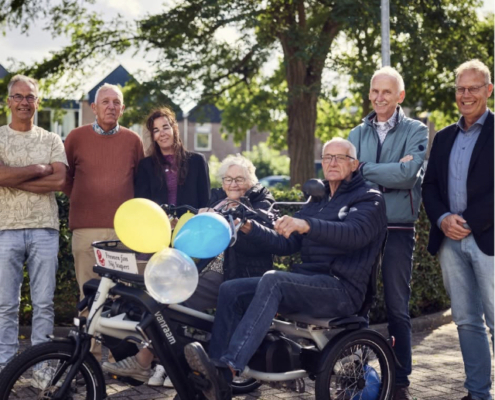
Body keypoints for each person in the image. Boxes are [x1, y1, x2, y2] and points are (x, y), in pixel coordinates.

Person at [184, 138, 387, 400]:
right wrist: (250, 228)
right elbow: (285, 244)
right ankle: (214, 374)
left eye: (340, 157)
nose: (332, 162)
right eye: (327, 157)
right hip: (308, 284)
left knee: (274, 280)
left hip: (341, 289)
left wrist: (308, 225)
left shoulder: (370, 198)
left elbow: (354, 234)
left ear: (355, 164)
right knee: (230, 289)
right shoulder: (318, 200)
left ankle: (228, 369)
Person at [102, 154, 275, 386]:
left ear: (251, 181)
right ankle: (159, 362)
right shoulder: (218, 200)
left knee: (172, 297)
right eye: (228, 179)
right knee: (162, 296)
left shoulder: (260, 201)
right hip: (205, 269)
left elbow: (266, 235)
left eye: (239, 179)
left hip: (237, 274)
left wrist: (240, 223)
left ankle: (147, 362)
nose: (233, 184)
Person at [348, 66, 428, 400]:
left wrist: (365, 168)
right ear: (370, 94)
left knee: (397, 306)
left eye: (387, 92)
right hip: (363, 228)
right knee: (357, 302)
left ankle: (400, 380)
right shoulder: (356, 133)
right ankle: (355, 375)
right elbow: (348, 176)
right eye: (375, 91)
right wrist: (390, 170)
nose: (380, 98)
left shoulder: (416, 130)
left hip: (398, 227)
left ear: (400, 96)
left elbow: (408, 175)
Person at [422, 59, 493, 400]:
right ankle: (478, 394)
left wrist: (468, 222)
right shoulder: (444, 137)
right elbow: (430, 187)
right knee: (466, 321)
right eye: (460, 89)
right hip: (449, 242)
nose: (465, 95)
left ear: (488, 90)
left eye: (473, 88)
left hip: (488, 239)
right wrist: (443, 219)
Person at [63, 83, 144, 361]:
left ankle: (118, 362)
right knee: (89, 295)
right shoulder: (76, 137)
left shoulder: (133, 140)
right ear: (93, 108)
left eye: (116, 102)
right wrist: (86, 199)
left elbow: (139, 182)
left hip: (123, 233)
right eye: (105, 102)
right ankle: (90, 360)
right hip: (87, 230)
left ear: (123, 108)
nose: (111, 106)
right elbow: (65, 179)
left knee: (121, 299)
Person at [0, 75, 67, 386]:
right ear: (9, 101)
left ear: (37, 102)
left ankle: (42, 369)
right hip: (5, 229)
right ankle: (5, 367)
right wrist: (40, 170)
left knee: (43, 304)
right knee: (5, 305)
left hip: (44, 229)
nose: (24, 102)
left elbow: (60, 181)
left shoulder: (52, 140)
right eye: (18, 96)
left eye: (30, 97)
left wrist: (12, 177)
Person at [134, 107, 210, 213]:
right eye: (156, 130)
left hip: (190, 222)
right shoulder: (145, 166)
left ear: (175, 129)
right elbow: (142, 205)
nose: (162, 133)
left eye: (165, 127)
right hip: (158, 223)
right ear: (153, 136)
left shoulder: (197, 162)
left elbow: (205, 203)